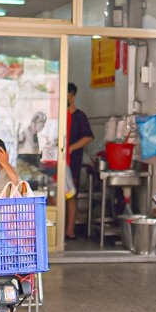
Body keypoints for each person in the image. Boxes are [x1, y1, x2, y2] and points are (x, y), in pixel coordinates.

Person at [65, 83, 93, 239]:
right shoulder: (59, 115)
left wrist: (71, 148)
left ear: (73, 96)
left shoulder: (79, 116)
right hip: (58, 162)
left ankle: (70, 230)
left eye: (68, 96)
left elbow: (88, 137)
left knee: (71, 195)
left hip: (73, 160)